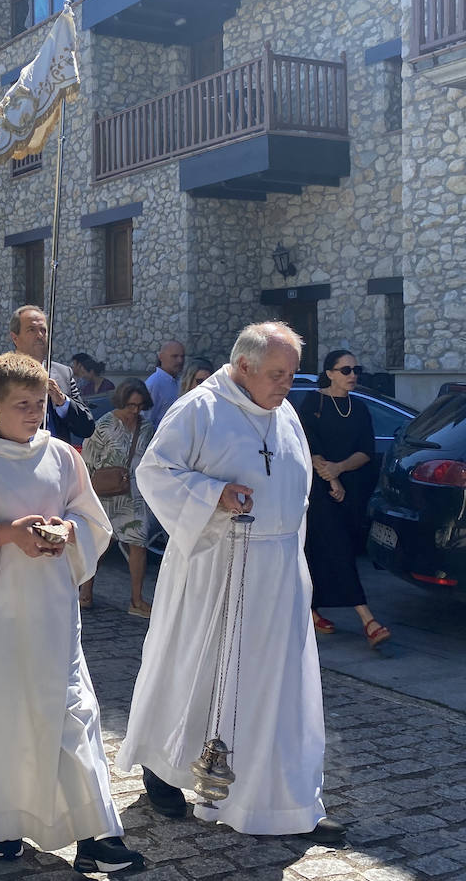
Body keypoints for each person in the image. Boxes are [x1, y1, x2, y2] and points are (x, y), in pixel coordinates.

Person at [117, 322, 343, 840]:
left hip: (279, 575)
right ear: (243, 367)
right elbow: (154, 472)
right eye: (277, 374)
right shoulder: (199, 409)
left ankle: (284, 799)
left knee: (277, 688)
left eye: (291, 373)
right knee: (194, 673)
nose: (288, 385)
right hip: (215, 568)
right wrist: (213, 495)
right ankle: (163, 768)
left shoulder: (284, 413)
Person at [0, 352, 143, 871]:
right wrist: (9, 534)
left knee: (74, 712)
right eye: (22, 405)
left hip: (52, 609)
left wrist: (69, 531)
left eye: (40, 404)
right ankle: (0, 821)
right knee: (2, 715)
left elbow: (91, 518)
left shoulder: (63, 456)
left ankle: (96, 835)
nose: (34, 415)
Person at [298, 350, 390, 649]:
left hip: (351, 489)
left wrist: (340, 469)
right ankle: (368, 619)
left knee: (332, 548)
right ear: (330, 373)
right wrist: (331, 476)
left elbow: (366, 449)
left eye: (356, 369)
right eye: (346, 369)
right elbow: (307, 443)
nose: (353, 375)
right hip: (320, 489)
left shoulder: (359, 408)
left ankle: (311, 607)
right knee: (337, 548)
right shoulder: (314, 402)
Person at [79, 378, 155, 616]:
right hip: (106, 494)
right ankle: (86, 592)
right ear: (121, 401)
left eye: (140, 406)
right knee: (101, 544)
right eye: (131, 405)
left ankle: (136, 600)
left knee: (138, 543)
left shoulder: (146, 427)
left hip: (135, 495)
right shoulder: (103, 426)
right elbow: (88, 461)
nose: (135, 410)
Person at [0, 306, 94, 447]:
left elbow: (86, 428)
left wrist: (62, 401)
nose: (39, 335)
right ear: (15, 337)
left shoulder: (63, 374)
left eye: (43, 330)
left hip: (55, 461)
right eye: (31, 330)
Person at [145, 340, 186, 428]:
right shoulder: (154, 383)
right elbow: (146, 420)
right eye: (174, 356)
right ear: (161, 357)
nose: (180, 361)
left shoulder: (180, 382)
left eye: (182, 356)